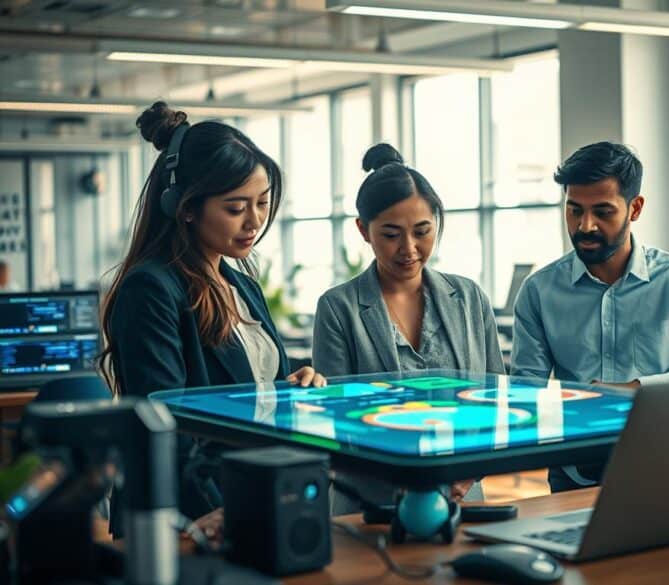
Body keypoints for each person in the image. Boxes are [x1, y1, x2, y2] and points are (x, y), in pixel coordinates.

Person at [99, 102, 326, 539]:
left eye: (262, 203)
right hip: (185, 513)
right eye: (236, 207)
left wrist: (294, 383)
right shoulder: (150, 289)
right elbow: (162, 420)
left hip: (247, 491)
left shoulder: (241, 285)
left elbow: (256, 389)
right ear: (184, 207)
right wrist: (202, 513)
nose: (255, 221)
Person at [511, 141, 669, 492]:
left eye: (602, 211)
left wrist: (633, 390)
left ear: (635, 208)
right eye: (574, 210)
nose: (585, 226)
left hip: (668, 462)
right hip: (574, 473)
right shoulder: (539, 291)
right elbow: (527, 391)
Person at [313, 143, 504, 509]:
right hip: (371, 503)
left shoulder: (468, 297)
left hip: (462, 496)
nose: (409, 248)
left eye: (422, 231)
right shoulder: (339, 308)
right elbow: (338, 422)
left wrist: (470, 471)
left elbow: (493, 399)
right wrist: (408, 478)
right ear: (363, 230)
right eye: (390, 234)